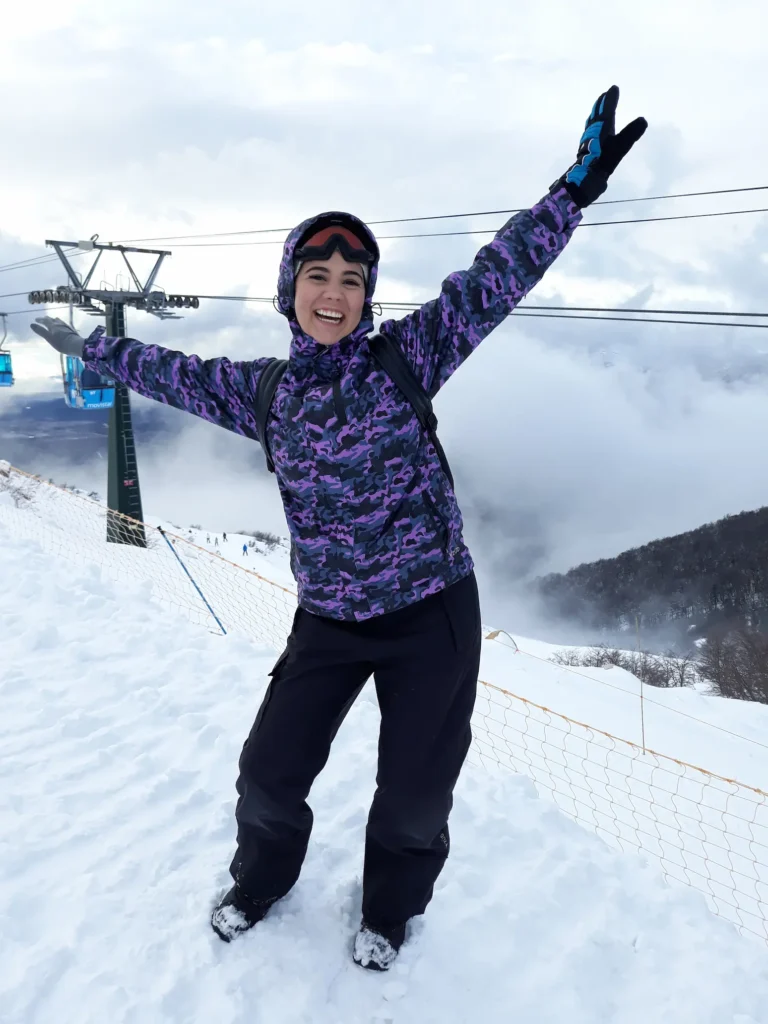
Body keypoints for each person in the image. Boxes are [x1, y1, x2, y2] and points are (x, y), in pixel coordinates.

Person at [32, 86, 646, 972]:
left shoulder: (410, 358)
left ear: (367, 297)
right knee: (270, 772)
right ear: (291, 292)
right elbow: (170, 370)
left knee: (413, 797)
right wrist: (96, 350)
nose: (335, 292)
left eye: (352, 280)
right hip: (327, 618)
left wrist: (571, 193)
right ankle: (260, 882)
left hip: (431, 615)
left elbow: (495, 278)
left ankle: (390, 912)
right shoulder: (266, 393)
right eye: (317, 277)